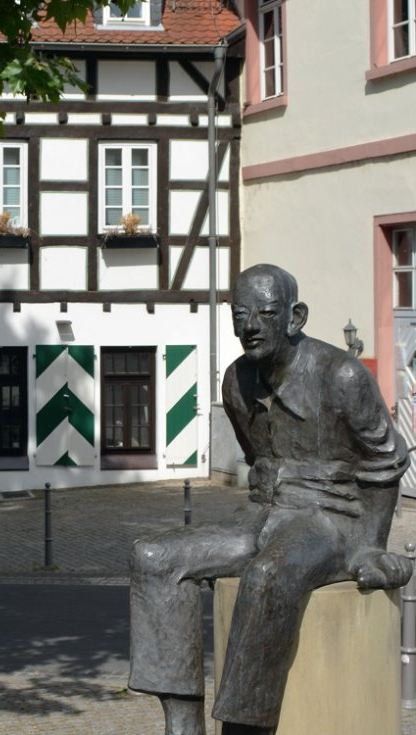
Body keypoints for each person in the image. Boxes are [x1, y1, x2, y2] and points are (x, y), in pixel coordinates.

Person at [128, 264, 411, 735]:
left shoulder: (341, 375)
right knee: (154, 557)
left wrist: (370, 546)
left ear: (294, 317)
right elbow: (255, 454)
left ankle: (243, 727)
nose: (251, 326)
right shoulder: (236, 381)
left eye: (265, 312)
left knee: (266, 575)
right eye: (241, 314)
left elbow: (384, 463)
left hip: (332, 521)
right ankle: (183, 724)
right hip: (261, 515)